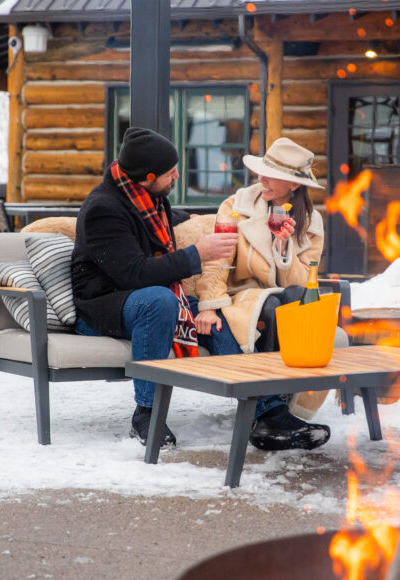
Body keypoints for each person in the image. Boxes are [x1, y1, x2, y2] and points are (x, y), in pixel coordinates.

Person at [71, 127, 238, 447]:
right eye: (169, 171)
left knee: (214, 313)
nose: (177, 174)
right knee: (160, 300)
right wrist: (197, 254)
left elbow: (157, 223)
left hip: (148, 297)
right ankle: (146, 414)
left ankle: (264, 410)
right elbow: (134, 274)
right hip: (105, 307)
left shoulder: (149, 198)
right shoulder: (102, 210)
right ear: (147, 176)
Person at [192, 137, 332, 451]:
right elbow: (218, 258)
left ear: (294, 186)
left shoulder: (311, 223)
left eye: (271, 174)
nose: (262, 178)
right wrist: (210, 305)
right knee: (271, 304)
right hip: (240, 295)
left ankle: (279, 406)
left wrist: (284, 248)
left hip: (283, 294)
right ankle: (268, 413)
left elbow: (307, 280)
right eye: (262, 171)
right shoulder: (236, 206)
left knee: (295, 296)